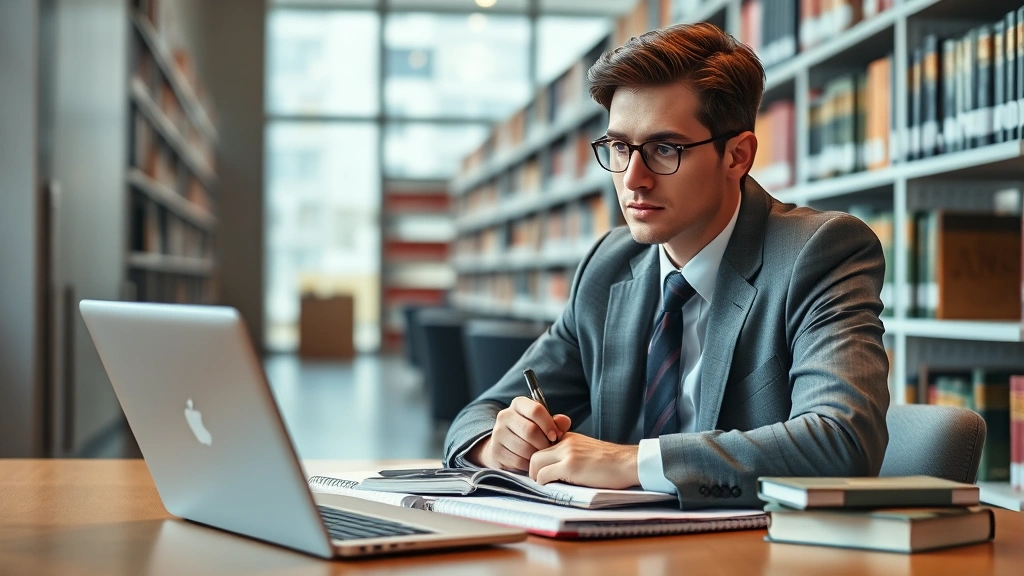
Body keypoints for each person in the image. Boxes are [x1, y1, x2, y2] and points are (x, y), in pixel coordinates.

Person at [443, 22, 889, 509]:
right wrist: (498, 441)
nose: (633, 179)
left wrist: (634, 463)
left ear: (737, 156)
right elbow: (477, 415)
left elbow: (843, 443)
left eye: (664, 149)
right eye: (618, 147)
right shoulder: (607, 267)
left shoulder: (819, 252)